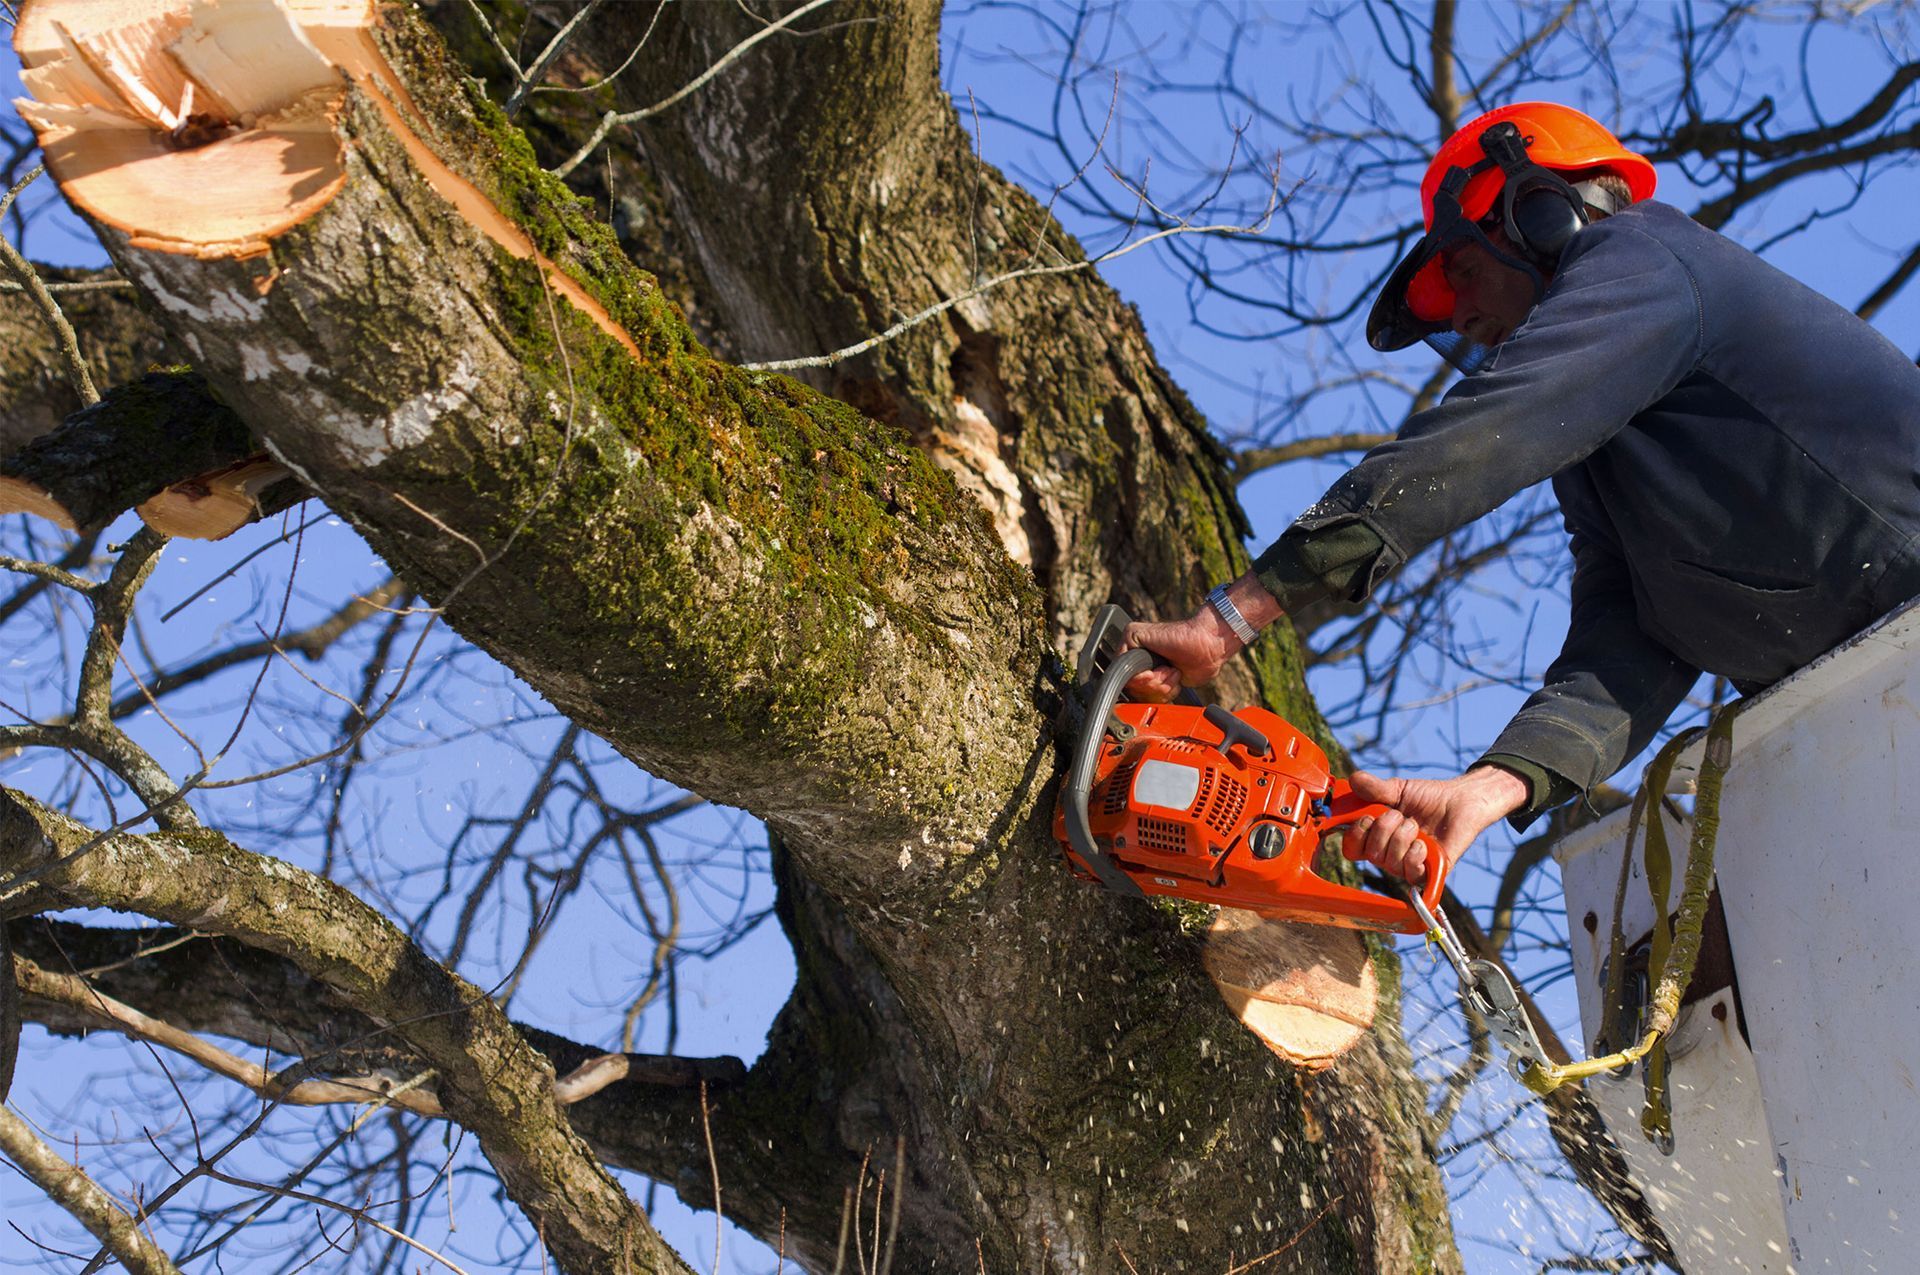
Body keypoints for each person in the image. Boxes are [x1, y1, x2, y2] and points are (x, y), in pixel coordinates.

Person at [1126, 101, 1920, 882]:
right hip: (1872, 706)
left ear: (1541, 213)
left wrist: (1231, 615)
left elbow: (1484, 435)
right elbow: (1632, 639)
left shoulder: (1646, 258)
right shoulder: (1603, 451)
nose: (1465, 317)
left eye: (1465, 271)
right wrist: (1492, 786)